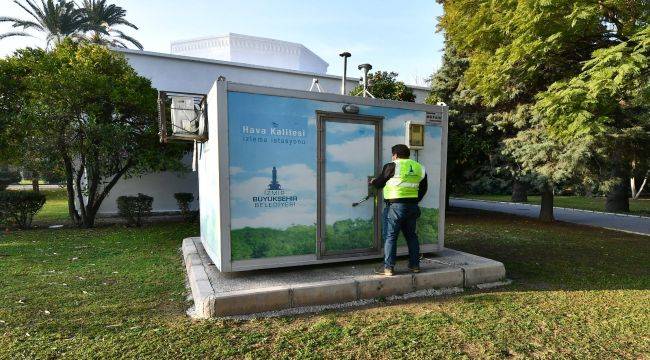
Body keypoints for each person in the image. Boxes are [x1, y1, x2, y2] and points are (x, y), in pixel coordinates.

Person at [370, 144, 427, 276]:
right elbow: (423, 188)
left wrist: (373, 182)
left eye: (392, 154)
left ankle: (389, 268)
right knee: (412, 236)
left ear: (395, 155)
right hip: (412, 206)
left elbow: (380, 183)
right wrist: (414, 200)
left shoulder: (392, 165)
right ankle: (415, 266)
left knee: (390, 237)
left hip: (395, 207)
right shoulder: (419, 167)